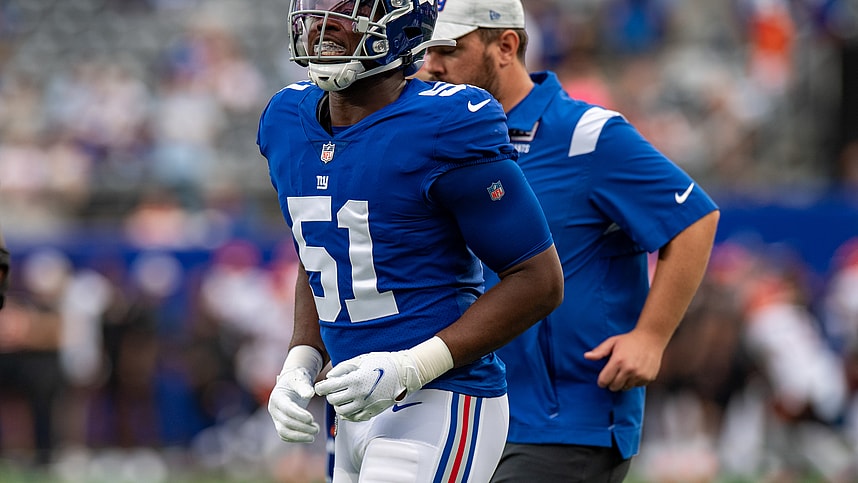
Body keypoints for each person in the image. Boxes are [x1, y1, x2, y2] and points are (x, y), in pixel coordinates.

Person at [256, 0, 565, 481]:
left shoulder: (446, 122)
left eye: (349, 5)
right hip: (352, 404)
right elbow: (323, 250)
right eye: (317, 5)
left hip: (440, 398)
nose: (324, 20)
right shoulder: (285, 118)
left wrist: (410, 367)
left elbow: (539, 279)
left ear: (403, 18)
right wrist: (302, 357)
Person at [420, 0, 721, 481]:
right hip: (467, 412)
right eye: (424, 50)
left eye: (447, 50)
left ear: (506, 46)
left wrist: (651, 337)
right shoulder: (442, 137)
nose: (429, 66)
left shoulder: (587, 135)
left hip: (567, 423)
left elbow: (694, 219)